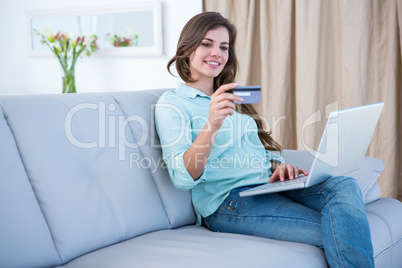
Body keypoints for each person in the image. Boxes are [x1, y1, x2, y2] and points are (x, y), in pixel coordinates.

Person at [155, 12, 374, 268]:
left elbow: (255, 149)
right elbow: (182, 177)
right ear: (187, 47)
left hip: (267, 185)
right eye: (207, 43)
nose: (217, 53)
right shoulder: (172, 104)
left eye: (224, 47)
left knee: (344, 185)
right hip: (229, 203)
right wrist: (212, 123)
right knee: (341, 228)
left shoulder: (232, 97)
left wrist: (278, 166)